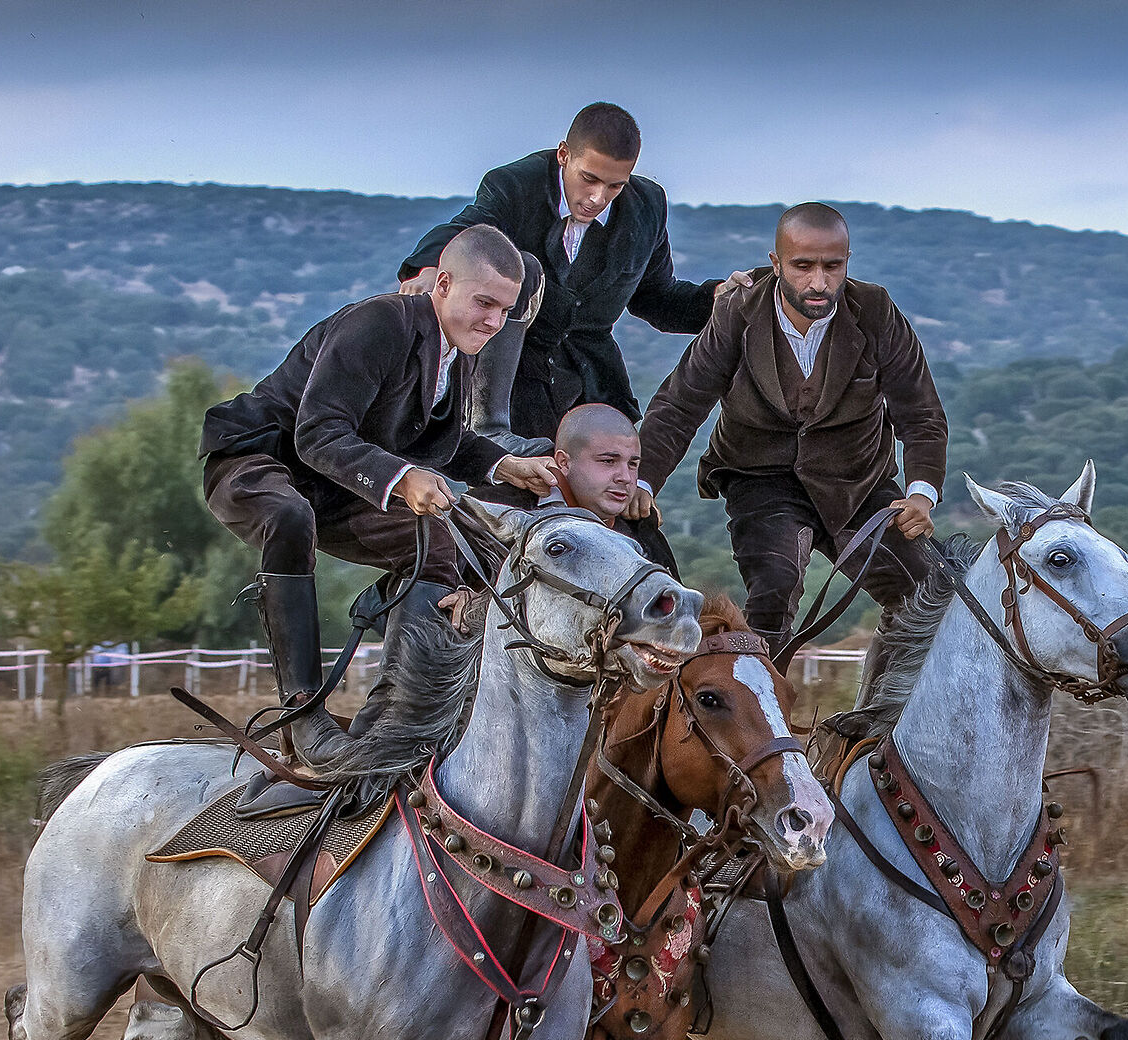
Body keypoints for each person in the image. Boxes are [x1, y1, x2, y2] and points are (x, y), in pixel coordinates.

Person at [200, 224, 550, 771]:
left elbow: (440, 440)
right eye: (484, 302)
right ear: (443, 284)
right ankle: (302, 720)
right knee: (290, 517)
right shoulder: (378, 322)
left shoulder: (457, 349)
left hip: (331, 481)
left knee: (441, 535)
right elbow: (316, 434)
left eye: (505, 311)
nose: (493, 322)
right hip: (257, 459)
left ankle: (395, 721)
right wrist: (404, 478)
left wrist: (503, 463)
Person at [634, 203, 946, 657]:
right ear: (776, 263)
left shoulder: (875, 311)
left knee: (929, 599)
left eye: (832, 266)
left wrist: (921, 493)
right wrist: (642, 481)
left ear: (847, 262)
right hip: (761, 479)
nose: (819, 282)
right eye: (802, 266)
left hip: (858, 481)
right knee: (773, 596)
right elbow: (681, 404)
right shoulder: (737, 313)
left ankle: (881, 714)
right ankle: (762, 717)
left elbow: (920, 413)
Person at [397, 102, 728, 447]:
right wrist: (428, 268)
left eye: (615, 186)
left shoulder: (648, 205)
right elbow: (466, 232)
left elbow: (657, 297)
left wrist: (719, 300)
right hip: (514, 382)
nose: (598, 198)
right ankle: (489, 432)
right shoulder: (514, 185)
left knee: (614, 486)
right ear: (564, 154)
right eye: (589, 179)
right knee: (519, 487)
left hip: (596, 382)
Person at [480, 402, 674, 575]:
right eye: (608, 461)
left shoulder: (642, 530)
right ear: (563, 462)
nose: (625, 478)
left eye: (633, 464)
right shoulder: (493, 512)